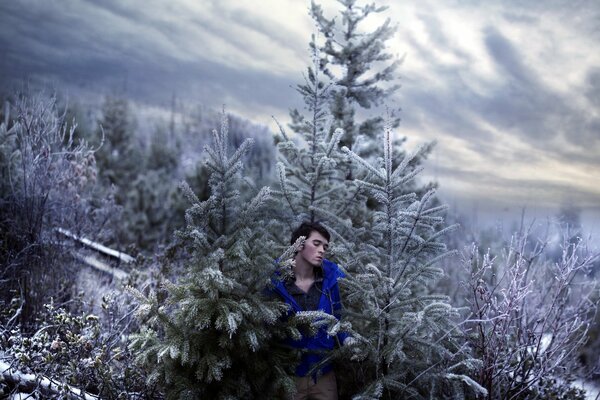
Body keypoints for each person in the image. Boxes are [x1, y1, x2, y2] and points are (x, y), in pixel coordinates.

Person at [271, 221, 352, 400]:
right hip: (289, 374)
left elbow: (336, 318)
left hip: (324, 374)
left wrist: (347, 339)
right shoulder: (275, 282)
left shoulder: (330, 281)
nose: (322, 250)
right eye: (316, 244)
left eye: (325, 246)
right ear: (299, 244)